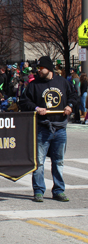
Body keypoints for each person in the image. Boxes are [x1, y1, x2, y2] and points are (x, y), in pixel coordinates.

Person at [19, 56, 79, 203]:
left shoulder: (63, 82)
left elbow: (74, 96)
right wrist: (37, 108)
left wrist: (70, 106)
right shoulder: (34, 85)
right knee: (39, 162)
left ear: (49, 68)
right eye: (38, 69)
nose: (39, 71)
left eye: (41, 68)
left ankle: (59, 190)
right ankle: (38, 191)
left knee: (58, 162)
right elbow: (23, 101)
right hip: (42, 128)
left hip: (60, 129)